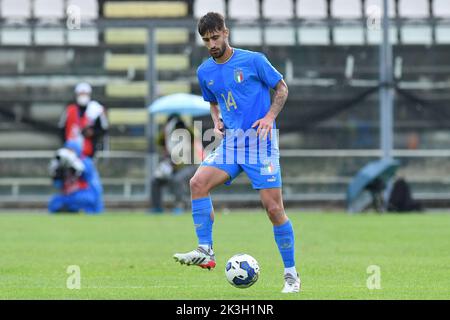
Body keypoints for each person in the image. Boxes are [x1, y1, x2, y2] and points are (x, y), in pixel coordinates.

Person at [173, 12, 300, 293]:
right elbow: (214, 102)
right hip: (232, 144)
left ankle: (291, 275)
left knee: (274, 209)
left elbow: (281, 88)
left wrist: (268, 117)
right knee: (197, 183)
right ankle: (205, 250)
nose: (211, 44)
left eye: (215, 37)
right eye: (206, 40)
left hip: (260, 145)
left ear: (226, 32)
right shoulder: (205, 71)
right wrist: (216, 118)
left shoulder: (253, 60)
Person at [150, 114, 201, 214]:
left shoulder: (188, 134)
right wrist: (165, 131)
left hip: (191, 166)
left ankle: (180, 205)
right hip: (173, 167)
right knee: (155, 181)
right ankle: (157, 207)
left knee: (177, 179)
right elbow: (158, 142)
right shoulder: (168, 136)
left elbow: (194, 137)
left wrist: (185, 126)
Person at [48, 140, 104, 214]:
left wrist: (75, 166)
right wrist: (56, 175)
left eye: (71, 150)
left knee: (86, 200)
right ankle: (73, 210)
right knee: (54, 203)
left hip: (85, 194)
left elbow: (89, 179)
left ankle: (80, 210)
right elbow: (59, 184)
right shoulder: (63, 165)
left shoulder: (85, 161)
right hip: (70, 196)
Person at [58, 82, 108, 158]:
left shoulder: (96, 109)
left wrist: (93, 132)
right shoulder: (69, 110)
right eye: (81, 94)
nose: (83, 96)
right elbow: (62, 128)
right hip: (70, 152)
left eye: (85, 94)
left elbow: (103, 129)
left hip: (89, 152)